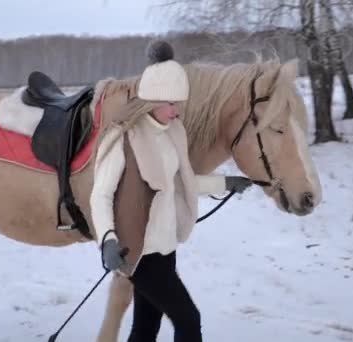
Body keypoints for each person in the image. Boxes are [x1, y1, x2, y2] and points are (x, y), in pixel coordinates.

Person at [89, 40, 252, 342]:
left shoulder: (173, 133)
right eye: (172, 104)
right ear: (154, 100)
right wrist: (108, 239)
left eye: (179, 103)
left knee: (145, 327)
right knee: (189, 320)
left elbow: (183, 181)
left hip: (165, 249)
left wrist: (226, 183)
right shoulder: (124, 136)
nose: (177, 111)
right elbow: (101, 194)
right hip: (138, 252)